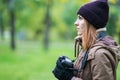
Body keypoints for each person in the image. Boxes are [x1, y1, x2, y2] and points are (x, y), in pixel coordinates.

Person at [52, 0, 120, 80]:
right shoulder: (89, 46)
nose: (76, 23)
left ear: (92, 22)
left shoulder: (100, 54)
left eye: (80, 18)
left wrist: (70, 78)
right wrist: (70, 69)